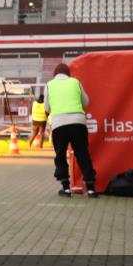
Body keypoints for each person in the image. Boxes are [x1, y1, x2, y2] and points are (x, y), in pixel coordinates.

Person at [45, 63, 97, 197]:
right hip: (78, 123)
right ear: (68, 73)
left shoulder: (49, 85)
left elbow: (47, 108)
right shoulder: (76, 82)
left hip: (59, 124)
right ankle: (90, 187)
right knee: (82, 153)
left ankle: (66, 188)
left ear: (55, 74)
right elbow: (86, 102)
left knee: (61, 156)